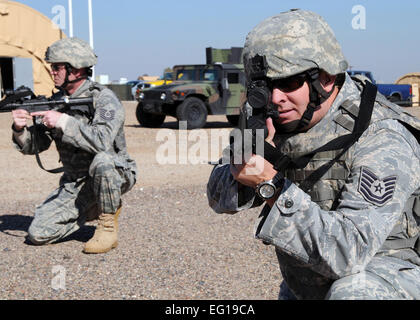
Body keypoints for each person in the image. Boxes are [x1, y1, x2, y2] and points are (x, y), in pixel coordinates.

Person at [207, 9, 420, 299]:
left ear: (327, 78)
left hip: (387, 277)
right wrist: (248, 164)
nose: (276, 97)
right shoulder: (271, 114)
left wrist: (270, 185)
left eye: (289, 83)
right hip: (308, 282)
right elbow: (218, 198)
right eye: (265, 85)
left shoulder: (383, 135)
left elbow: (348, 254)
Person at [11, 37, 137, 254]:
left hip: (115, 172)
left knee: (103, 160)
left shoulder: (104, 100)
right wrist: (20, 129)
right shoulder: (55, 101)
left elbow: (102, 140)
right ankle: (96, 204)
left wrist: (63, 121)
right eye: (52, 67)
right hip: (75, 182)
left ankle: (107, 222)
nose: (52, 72)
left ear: (77, 70)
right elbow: (36, 146)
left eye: (57, 67)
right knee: (38, 233)